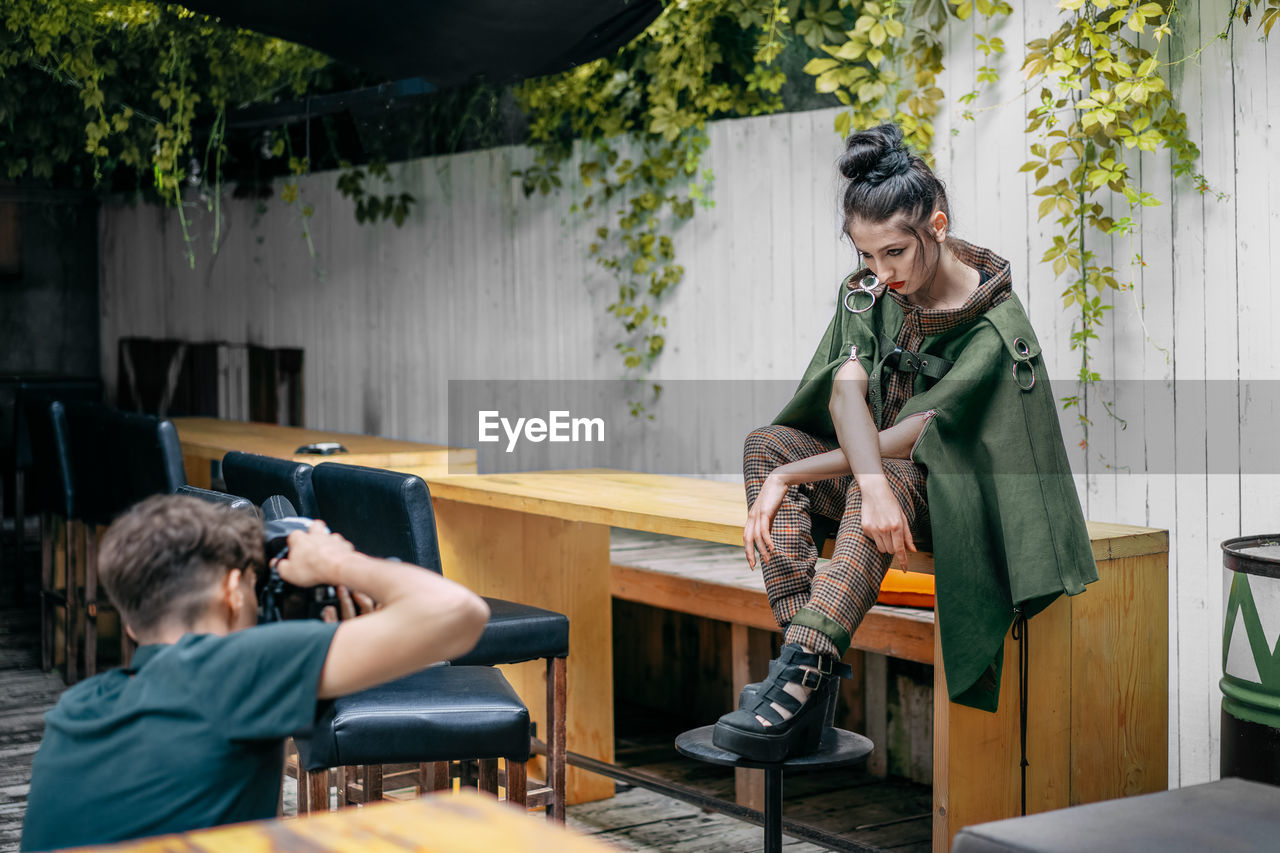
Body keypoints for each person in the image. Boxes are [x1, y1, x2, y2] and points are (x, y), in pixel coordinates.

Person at [712, 123, 1097, 762]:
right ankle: (807, 667)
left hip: (949, 498)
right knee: (766, 446)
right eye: (865, 255)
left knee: (884, 477)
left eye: (894, 252)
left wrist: (854, 482)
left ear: (936, 225)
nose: (880, 272)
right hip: (877, 487)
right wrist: (792, 472)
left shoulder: (993, 326)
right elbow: (844, 394)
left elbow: (909, 437)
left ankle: (801, 675)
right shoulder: (868, 292)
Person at [21, 495, 489, 851]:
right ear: (232, 592)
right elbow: (459, 612)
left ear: (128, 620)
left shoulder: (76, 709)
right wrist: (334, 562)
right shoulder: (233, 669)